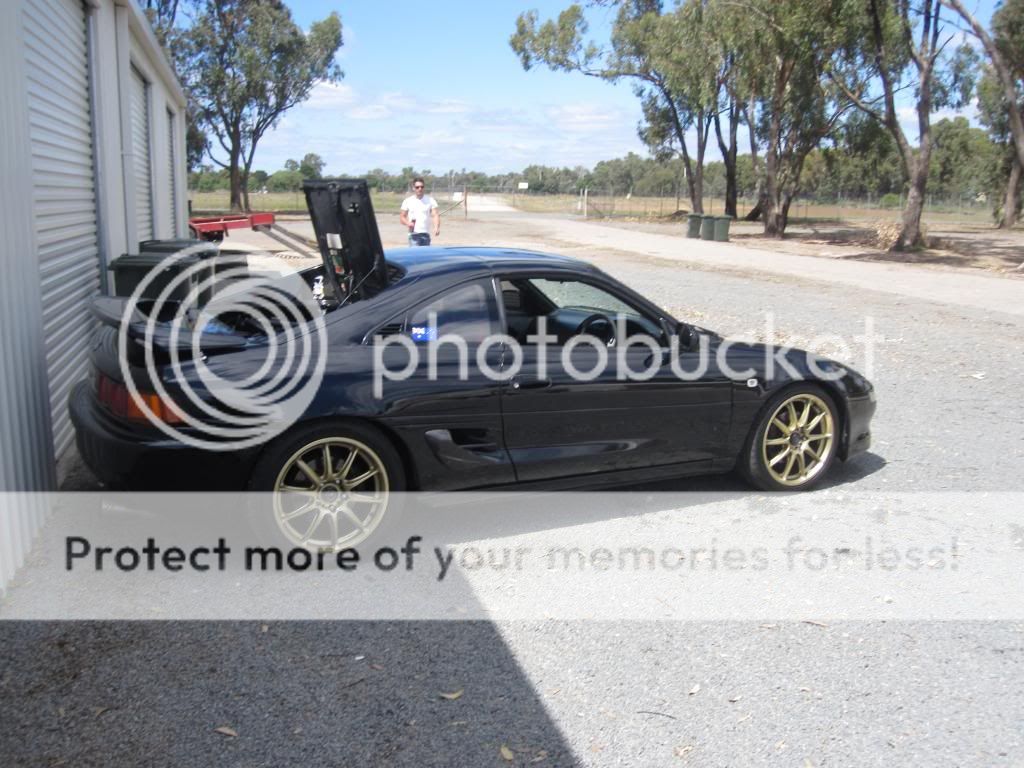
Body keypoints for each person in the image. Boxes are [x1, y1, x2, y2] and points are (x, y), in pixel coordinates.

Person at [399, 177, 440, 246]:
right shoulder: (408, 201)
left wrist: (436, 227)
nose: (420, 189)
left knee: (426, 253)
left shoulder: (430, 200)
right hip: (413, 235)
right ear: (413, 188)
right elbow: (402, 217)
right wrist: (408, 223)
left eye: (422, 187)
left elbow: (435, 215)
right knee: (414, 253)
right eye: (417, 187)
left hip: (425, 234)